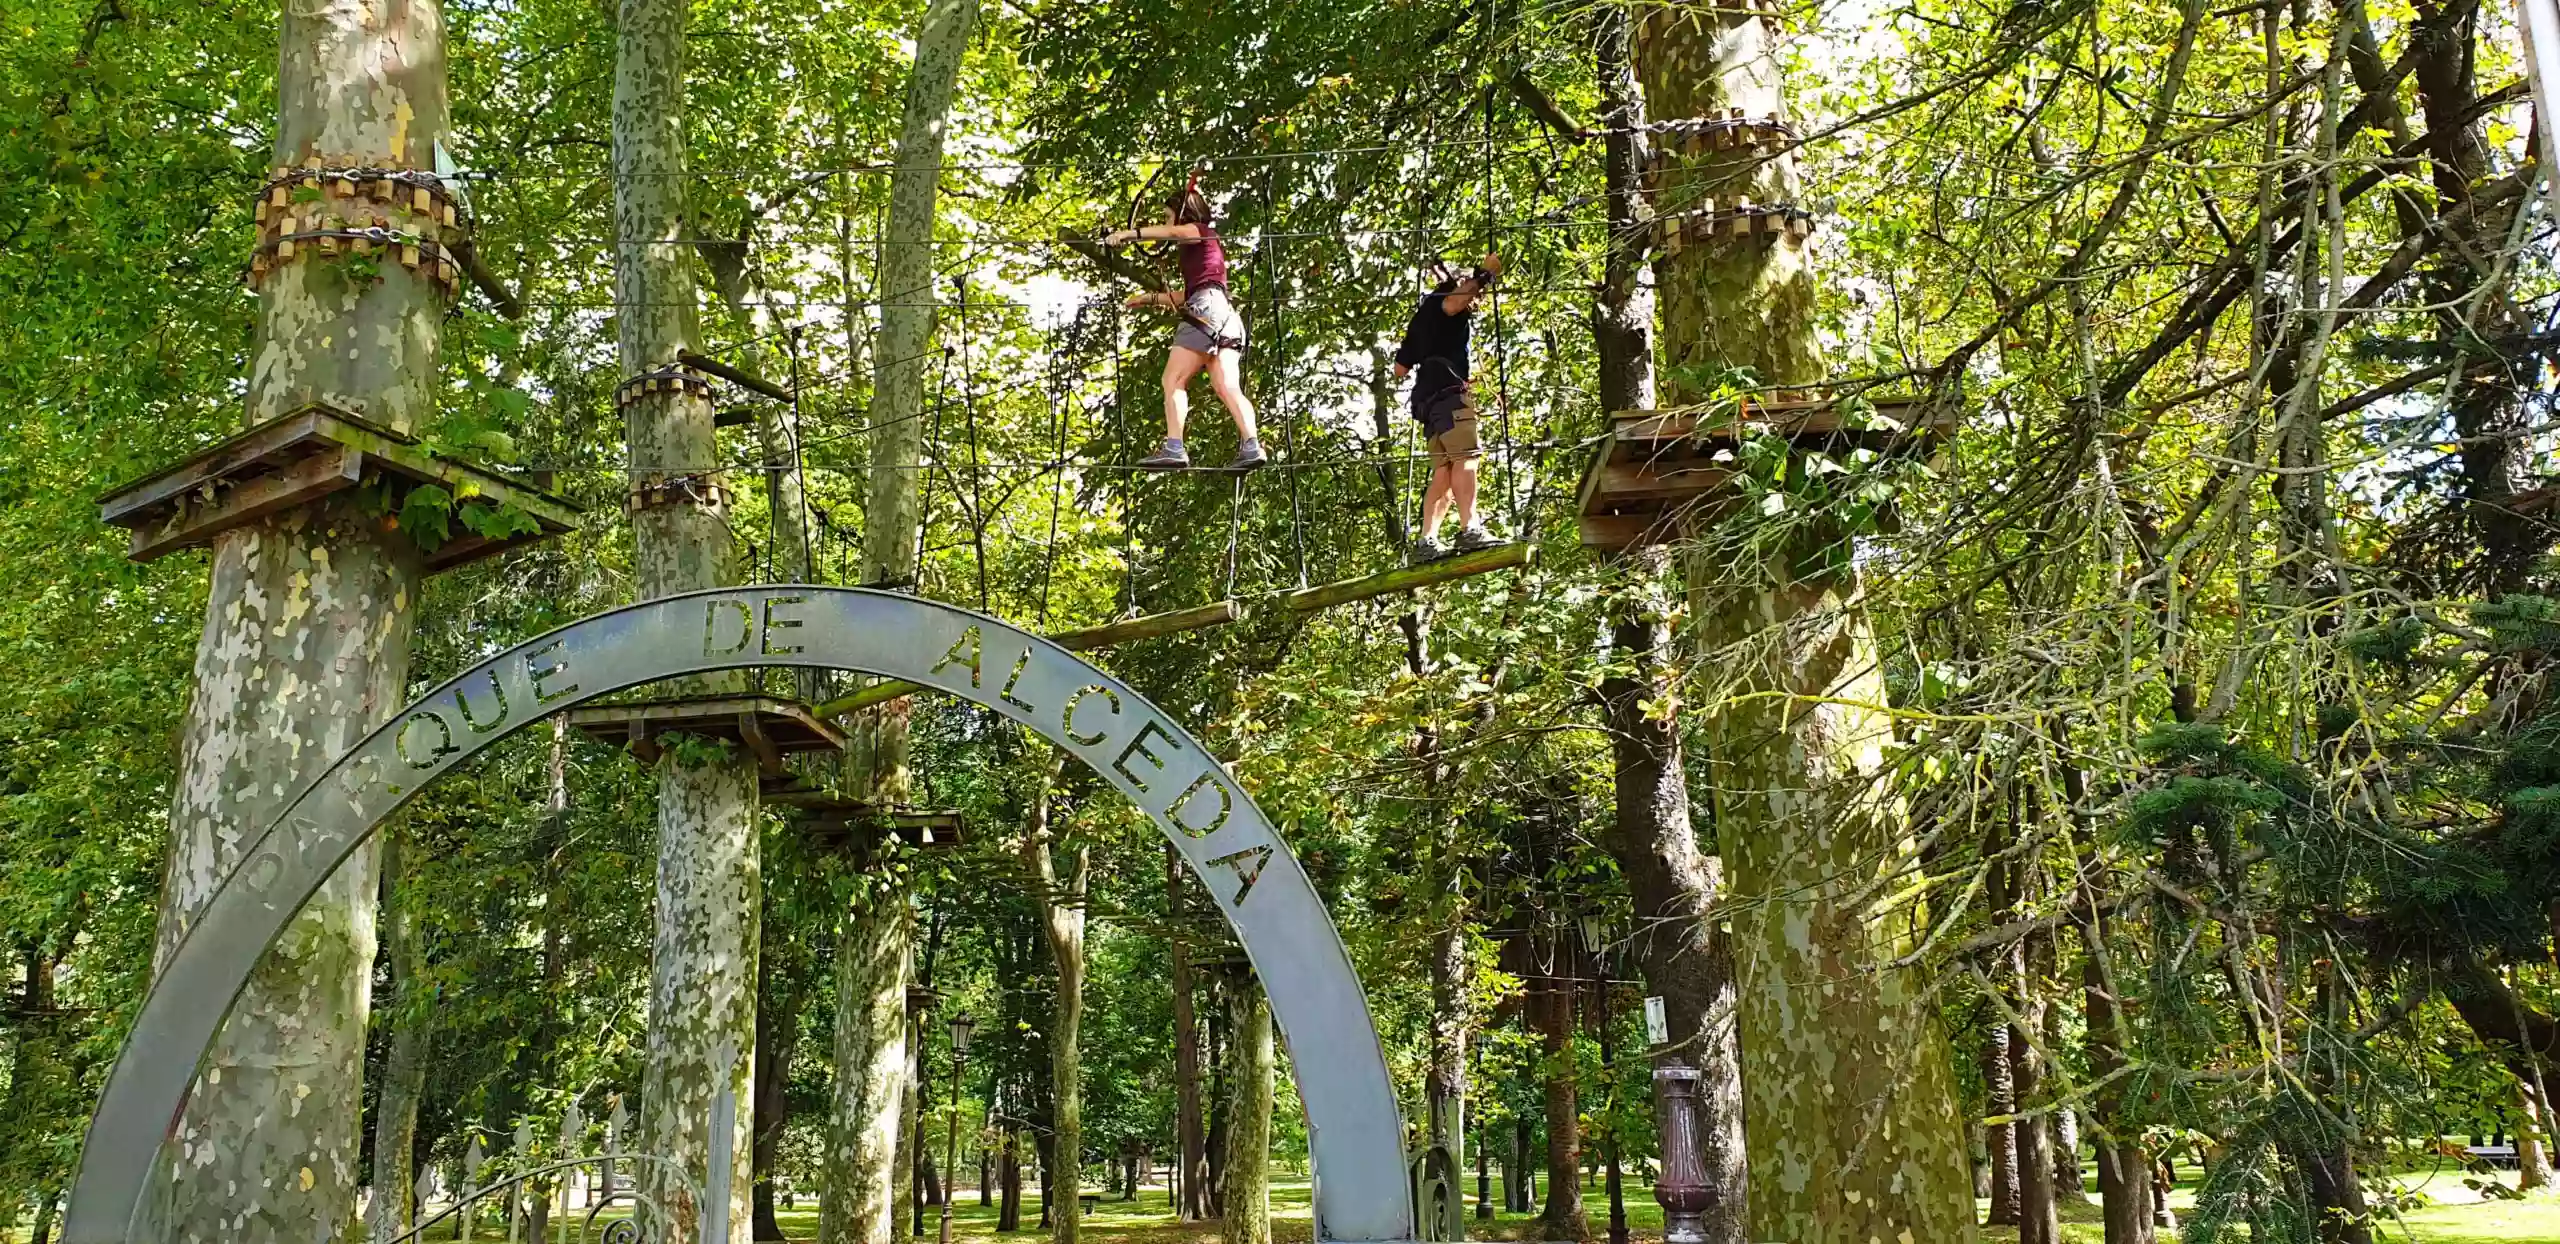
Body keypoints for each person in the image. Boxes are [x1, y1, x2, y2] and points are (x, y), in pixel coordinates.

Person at [1105, 181, 1266, 471]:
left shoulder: (1199, 232)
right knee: (1226, 385)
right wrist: (1150, 298)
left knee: (1173, 379)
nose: (1167, 223)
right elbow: (1190, 293)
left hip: (1207, 311)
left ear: (1183, 215)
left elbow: (1176, 232)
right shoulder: (1202, 251)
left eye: (1169, 216)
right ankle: (1252, 445)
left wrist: (1128, 234)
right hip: (1224, 313)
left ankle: (1174, 447)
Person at [1393, 251, 1503, 558]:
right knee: (1466, 457)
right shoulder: (1444, 305)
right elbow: (1455, 301)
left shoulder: (1421, 318)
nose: (1472, 295)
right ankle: (1470, 528)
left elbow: (1399, 369)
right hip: (1449, 394)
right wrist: (1485, 277)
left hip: (1427, 401)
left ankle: (1427, 539)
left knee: (1443, 469)